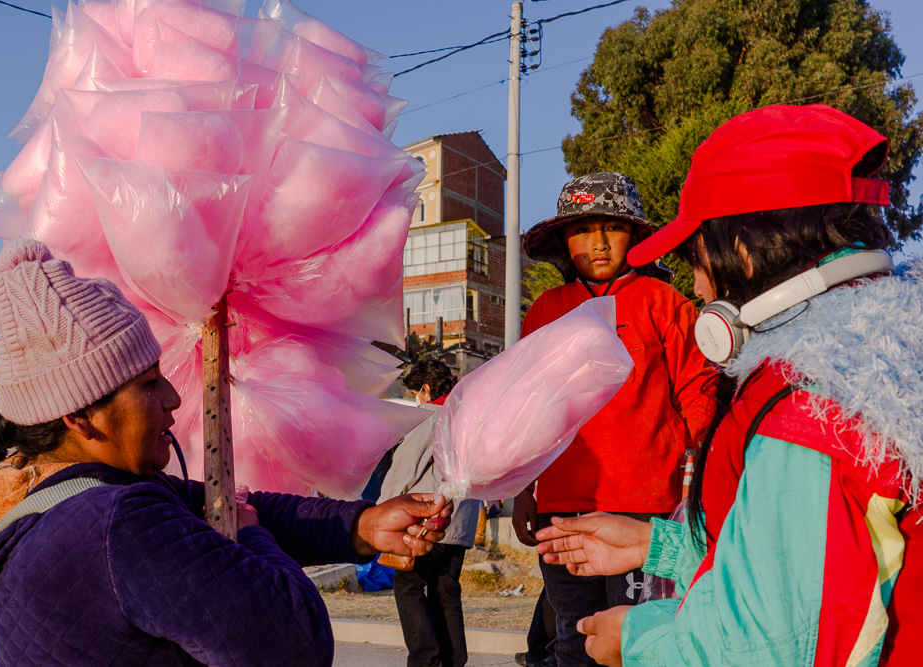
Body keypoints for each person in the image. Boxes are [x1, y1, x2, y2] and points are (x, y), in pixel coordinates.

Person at [0, 239, 453, 666]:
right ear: (81, 416)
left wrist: (361, 525)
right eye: (147, 384)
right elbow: (296, 642)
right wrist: (251, 534)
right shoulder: (118, 522)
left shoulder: (26, 504)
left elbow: (230, 503)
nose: (173, 397)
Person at [536, 104, 923, 666]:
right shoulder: (867, 367)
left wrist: (639, 638)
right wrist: (657, 546)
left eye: (697, 259)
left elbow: (766, 647)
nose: (697, 285)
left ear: (741, 249)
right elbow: (785, 560)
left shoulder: (803, 408)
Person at [514, 172, 716, 666]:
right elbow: (524, 407)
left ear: (637, 237)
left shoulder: (665, 303)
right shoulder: (545, 310)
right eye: (583, 229)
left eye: (614, 228)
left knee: (637, 635)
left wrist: (700, 485)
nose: (599, 243)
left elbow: (699, 396)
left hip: (646, 507)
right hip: (561, 505)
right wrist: (522, 491)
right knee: (573, 635)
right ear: (564, 242)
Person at [379, 358, 481, 667]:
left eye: (415, 394)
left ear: (425, 388)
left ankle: (425, 659)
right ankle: (453, 659)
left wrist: (382, 509)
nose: (416, 401)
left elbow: (406, 468)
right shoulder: (468, 417)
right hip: (461, 522)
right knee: (446, 590)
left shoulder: (430, 415)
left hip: (429, 520)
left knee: (407, 585)